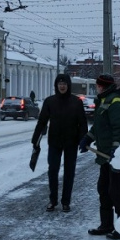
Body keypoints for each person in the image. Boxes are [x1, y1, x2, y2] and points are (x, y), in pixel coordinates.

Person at [78, 74, 120, 240]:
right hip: (105, 155)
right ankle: (106, 224)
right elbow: (99, 126)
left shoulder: (115, 101)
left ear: (103, 86)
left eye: (99, 85)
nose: (97, 88)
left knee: (115, 191)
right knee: (103, 188)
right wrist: (88, 137)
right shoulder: (105, 100)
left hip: (116, 156)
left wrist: (116, 150)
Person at [32, 74, 88, 212]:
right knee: (52, 171)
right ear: (56, 86)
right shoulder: (50, 101)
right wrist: (35, 139)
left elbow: (83, 123)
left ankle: (66, 202)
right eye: (59, 84)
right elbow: (42, 121)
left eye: (64, 84)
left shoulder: (76, 102)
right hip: (55, 142)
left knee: (69, 172)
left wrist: (84, 140)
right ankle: (53, 200)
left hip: (71, 142)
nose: (62, 86)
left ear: (68, 85)